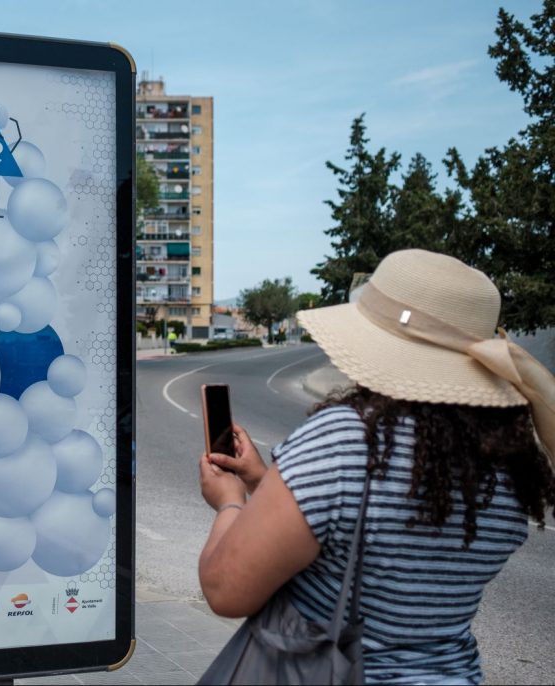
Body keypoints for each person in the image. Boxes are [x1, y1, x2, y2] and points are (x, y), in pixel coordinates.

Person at [197, 249, 555, 685]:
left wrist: (230, 502)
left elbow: (225, 589)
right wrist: (262, 480)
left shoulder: (349, 440)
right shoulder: (513, 467)